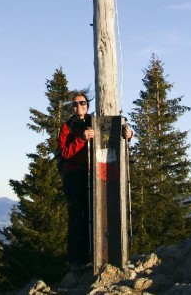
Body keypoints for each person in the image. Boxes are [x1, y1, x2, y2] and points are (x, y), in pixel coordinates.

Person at [58, 92, 132, 270]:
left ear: (87, 105)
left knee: (97, 214)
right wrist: (81, 139)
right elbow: (65, 153)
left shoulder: (95, 121)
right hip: (74, 176)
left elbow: (111, 131)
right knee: (77, 217)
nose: (78, 107)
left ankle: (96, 256)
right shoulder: (67, 126)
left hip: (94, 174)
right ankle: (77, 261)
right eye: (75, 104)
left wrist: (128, 134)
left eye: (82, 103)